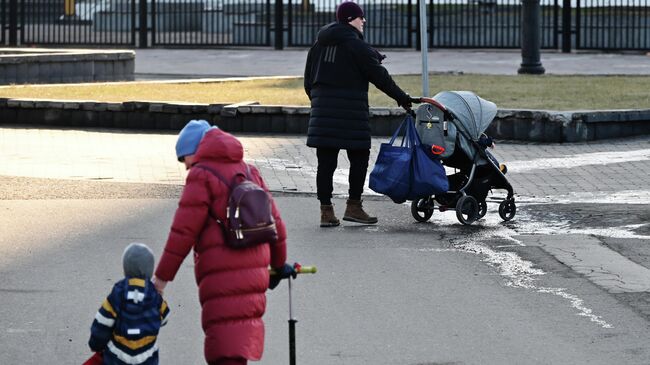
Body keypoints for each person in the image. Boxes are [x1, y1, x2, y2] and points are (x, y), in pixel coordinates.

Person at [151, 120, 291, 365]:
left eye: (185, 160)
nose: (186, 168)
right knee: (236, 345)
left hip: (222, 278)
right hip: (255, 276)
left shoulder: (201, 176)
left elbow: (182, 232)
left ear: (195, 151)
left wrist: (161, 279)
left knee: (225, 350)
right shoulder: (249, 171)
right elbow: (276, 224)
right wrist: (278, 266)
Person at [304, 0, 413, 228]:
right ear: (349, 19)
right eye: (360, 17)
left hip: (323, 113)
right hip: (352, 113)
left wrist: (319, 103)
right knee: (360, 156)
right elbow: (380, 77)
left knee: (326, 163)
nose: (363, 20)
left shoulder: (318, 45)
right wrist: (403, 98)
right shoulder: (356, 45)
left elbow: (308, 81)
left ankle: (326, 212)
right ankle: (354, 206)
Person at [87, 242, 170, 365]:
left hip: (117, 358)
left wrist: (96, 344)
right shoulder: (154, 296)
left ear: (125, 269)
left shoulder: (118, 292)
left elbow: (102, 322)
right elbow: (165, 319)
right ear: (150, 271)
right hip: (147, 358)